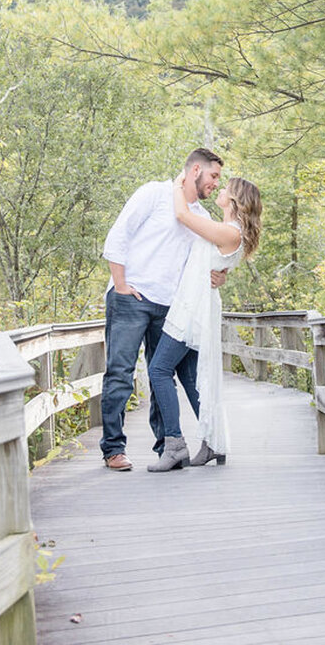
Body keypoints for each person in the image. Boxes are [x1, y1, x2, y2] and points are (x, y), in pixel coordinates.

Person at [98, 148, 227, 471]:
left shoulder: (203, 216)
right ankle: (114, 448)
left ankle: (166, 448)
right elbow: (118, 236)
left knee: (160, 377)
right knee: (120, 374)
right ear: (195, 170)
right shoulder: (154, 193)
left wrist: (219, 274)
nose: (215, 184)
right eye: (213, 176)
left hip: (171, 307)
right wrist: (121, 284)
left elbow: (208, 262)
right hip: (132, 298)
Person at [145, 174, 262, 472]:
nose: (220, 190)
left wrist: (176, 185)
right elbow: (212, 260)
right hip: (195, 304)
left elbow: (182, 214)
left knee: (159, 370)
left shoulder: (230, 232)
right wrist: (221, 274)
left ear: (234, 200)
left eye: (225, 188)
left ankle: (174, 445)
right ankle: (214, 443)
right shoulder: (226, 230)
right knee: (192, 377)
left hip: (192, 309)